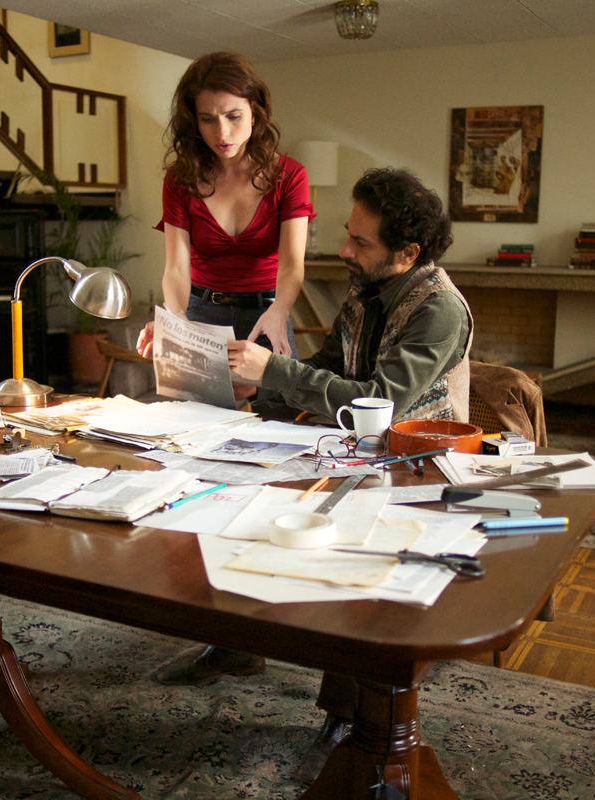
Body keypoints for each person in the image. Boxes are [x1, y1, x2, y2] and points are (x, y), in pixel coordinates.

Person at [157, 167, 474, 784]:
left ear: (407, 253)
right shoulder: (366, 288)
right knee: (236, 500)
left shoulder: (439, 309)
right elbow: (330, 368)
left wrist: (273, 371)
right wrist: (250, 396)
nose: (344, 250)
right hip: (355, 453)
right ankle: (238, 643)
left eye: (360, 241)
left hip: (419, 469)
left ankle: (352, 717)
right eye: (347, 233)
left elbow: (381, 400)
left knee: (354, 560)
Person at [136, 52, 312, 360]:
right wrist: (175, 317)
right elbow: (176, 268)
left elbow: (291, 265)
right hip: (201, 313)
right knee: (193, 395)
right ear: (194, 121)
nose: (222, 133)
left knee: (277, 393)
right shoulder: (180, 179)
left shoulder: (290, 176)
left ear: (255, 113)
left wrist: (280, 310)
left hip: (268, 313)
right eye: (207, 119)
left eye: (233, 116)